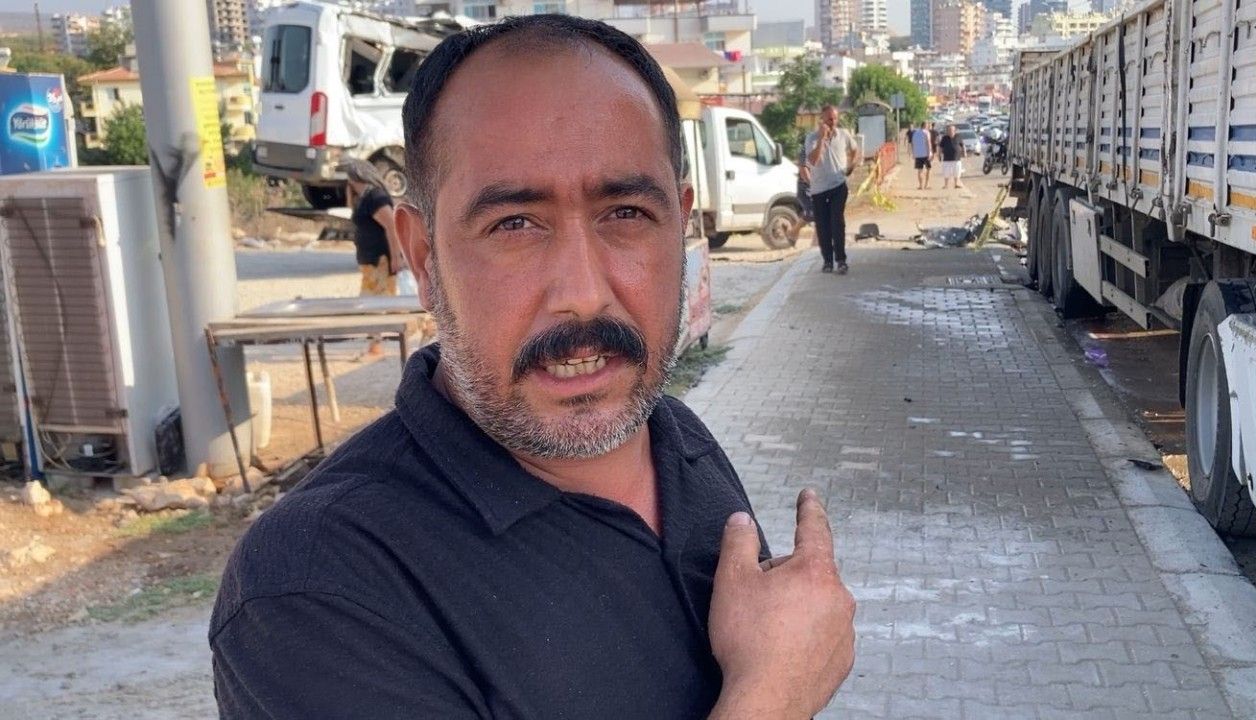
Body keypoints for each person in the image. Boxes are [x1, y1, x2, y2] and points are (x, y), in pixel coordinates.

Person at [210, 14, 855, 720]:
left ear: (681, 225)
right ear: (423, 257)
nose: (583, 292)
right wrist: (775, 694)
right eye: (514, 224)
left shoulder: (678, 441)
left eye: (626, 213)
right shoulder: (318, 588)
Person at [343, 158, 403, 357]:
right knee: (374, 303)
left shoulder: (375, 198)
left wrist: (395, 257)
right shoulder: (364, 198)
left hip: (380, 260)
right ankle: (376, 342)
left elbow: (391, 227)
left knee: (373, 303)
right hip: (370, 260)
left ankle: (376, 343)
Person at [804, 105, 860, 274]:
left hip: (838, 185)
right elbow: (813, 161)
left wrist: (851, 165)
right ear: (822, 119)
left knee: (837, 222)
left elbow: (855, 150)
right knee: (823, 226)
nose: (833, 122)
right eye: (829, 119)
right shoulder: (812, 138)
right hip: (819, 189)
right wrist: (822, 139)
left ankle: (841, 260)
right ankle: (827, 261)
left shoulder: (843, 135)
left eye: (835, 118)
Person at [939, 124, 965, 190]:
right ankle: (946, 185)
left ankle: (956, 184)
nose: (950, 131)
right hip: (947, 159)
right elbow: (941, 147)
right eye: (949, 130)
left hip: (957, 158)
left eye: (951, 130)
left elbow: (962, 145)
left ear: (954, 131)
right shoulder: (944, 138)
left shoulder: (958, 136)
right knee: (946, 172)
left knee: (957, 172)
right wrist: (939, 155)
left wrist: (964, 152)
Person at [911, 120, 933, 190]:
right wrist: (929, 152)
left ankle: (921, 186)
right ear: (925, 125)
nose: (929, 126)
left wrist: (914, 153)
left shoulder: (915, 133)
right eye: (928, 125)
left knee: (920, 170)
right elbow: (928, 143)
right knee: (928, 169)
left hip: (918, 154)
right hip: (926, 154)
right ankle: (926, 185)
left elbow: (913, 143)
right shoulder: (926, 132)